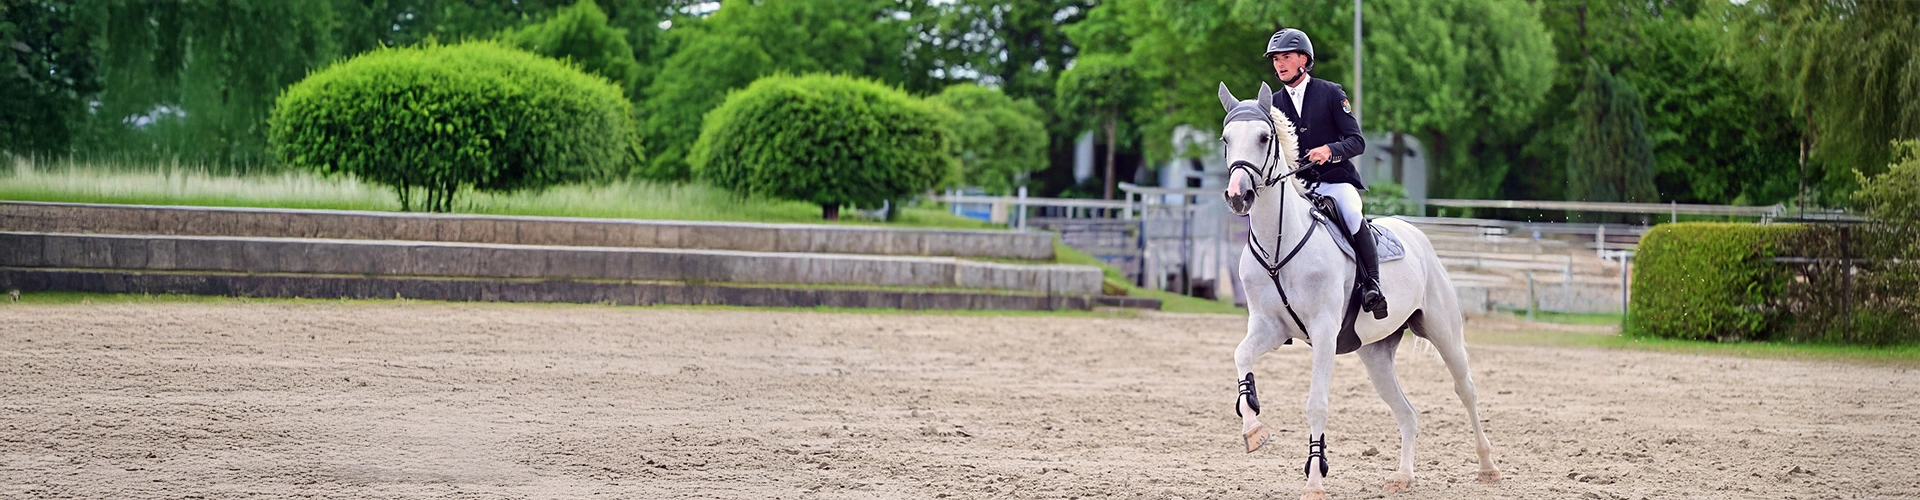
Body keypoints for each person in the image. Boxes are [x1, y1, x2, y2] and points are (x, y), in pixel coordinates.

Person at [1264, 28, 1386, 318]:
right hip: (1298, 188)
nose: (1279, 64)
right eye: (1275, 59)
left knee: (1352, 214)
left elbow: (1357, 141)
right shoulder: (1273, 105)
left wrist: (1330, 150)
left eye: (1286, 57)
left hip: (1335, 181)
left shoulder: (1331, 93)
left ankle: (1372, 284)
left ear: (1303, 60)